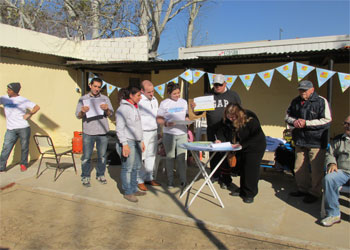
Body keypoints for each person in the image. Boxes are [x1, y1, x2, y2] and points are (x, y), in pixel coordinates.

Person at [191, 74, 241, 189]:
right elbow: (199, 112)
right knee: (213, 153)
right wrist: (194, 109)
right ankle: (215, 175)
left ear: (225, 83)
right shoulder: (208, 96)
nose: (217, 87)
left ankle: (226, 178)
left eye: (220, 84)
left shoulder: (233, 95)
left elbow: (239, 111)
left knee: (226, 154)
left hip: (228, 130)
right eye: (215, 84)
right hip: (212, 128)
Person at [285, 80, 332, 203]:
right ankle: (302, 189)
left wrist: (307, 123)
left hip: (316, 140)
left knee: (316, 169)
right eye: (300, 90)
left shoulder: (321, 101)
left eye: (304, 90)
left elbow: (327, 120)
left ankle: (315, 192)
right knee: (299, 166)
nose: (302, 92)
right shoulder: (295, 101)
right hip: (300, 139)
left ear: (312, 89)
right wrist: (294, 122)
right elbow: (287, 116)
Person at [216, 103, 266, 203]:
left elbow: (255, 136)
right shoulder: (227, 120)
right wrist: (220, 140)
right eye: (229, 117)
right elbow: (221, 131)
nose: (231, 119)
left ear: (239, 114)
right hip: (240, 146)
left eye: (233, 117)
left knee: (250, 170)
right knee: (242, 168)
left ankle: (250, 193)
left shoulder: (250, 118)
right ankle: (243, 190)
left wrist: (241, 145)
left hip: (254, 146)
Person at [75, 78, 113, 187]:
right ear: (90, 85)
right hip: (88, 131)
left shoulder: (105, 98)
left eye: (99, 87)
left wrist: (106, 109)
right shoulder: (83, 99)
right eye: (95, 86)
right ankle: (85, 176)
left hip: (102, 132)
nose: (97, 89)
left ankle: (100, 174)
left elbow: (110, 114)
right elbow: (78, 115)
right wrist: (82, 111)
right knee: (87, 156)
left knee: (102, 156)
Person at [0, 82, 40, 172]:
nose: (7, 91)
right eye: (7, 89)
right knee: (6, 147)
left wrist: (29, 114)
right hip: (10, 129)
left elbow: (36, 107)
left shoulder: (23, 100)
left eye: (9, 90)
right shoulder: (4, 98)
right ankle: (1, 166)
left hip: (23, 128)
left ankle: (23, 164)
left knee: (24, 147)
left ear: (15, 91)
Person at [115, 86, 146, 202]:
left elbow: (138, 126)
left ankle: (134, 188)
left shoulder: (135, 107)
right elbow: (119, 128)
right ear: (131, 96)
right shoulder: (123, 109)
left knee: (136, 167)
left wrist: (141, 140)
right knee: (128, 168)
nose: (140, 97)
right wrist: (124, 144)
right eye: (138, 95)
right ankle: (128, 192)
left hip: (137, 141)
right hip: (128, 141)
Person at [157, 82, 189, 188]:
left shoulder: (184, 102)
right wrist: (166, 123)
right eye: (174, 93)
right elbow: (159, 118)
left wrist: (187, 120)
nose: (177, 95)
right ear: (169, 93)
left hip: (182, 133)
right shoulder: (164, 103)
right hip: (169, 134)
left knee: (181, 158)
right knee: (170, 158)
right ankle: (170, 181)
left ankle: (183, 180)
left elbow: (187, 115)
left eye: (178, 93)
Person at [321, 115, 350, 227]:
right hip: (342, 172)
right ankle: (333, 214)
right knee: (329, 179)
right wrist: (332, 163)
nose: (346, 126)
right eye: (345, 123)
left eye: (349, 124)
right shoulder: (339, 139)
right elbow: (330, 153)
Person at [137, 80, 161, 191]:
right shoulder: (139, 101)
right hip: (143, 132)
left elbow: (157, 116)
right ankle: (139, 180)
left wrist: (160, 130)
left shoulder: (155, 100)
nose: (152, 94)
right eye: (149, 92)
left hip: (154, 131)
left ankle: (149, 177)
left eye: (153, 91)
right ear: (142, 91)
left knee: (152, 155)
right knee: (142, 156)